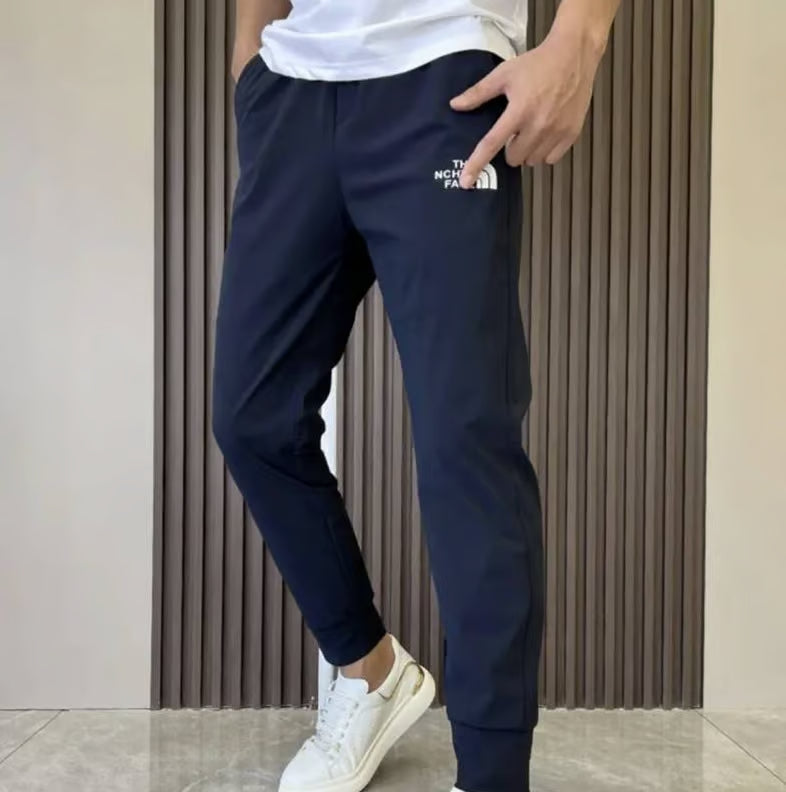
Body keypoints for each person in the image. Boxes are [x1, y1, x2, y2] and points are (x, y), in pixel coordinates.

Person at [212, 2, 620, 790]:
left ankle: (492, 773)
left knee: (464, 436)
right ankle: (368, 670)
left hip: (443, 74)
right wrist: (249, 54)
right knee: (252, 419)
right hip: (291, 87)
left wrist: (580, 39)